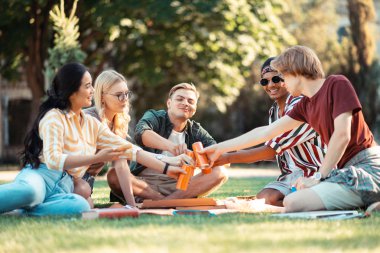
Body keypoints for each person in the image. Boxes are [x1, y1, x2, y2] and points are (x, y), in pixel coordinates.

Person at [202, 45, 380, 212]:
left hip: (367, 166)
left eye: (283, 76)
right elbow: (265, 132)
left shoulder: (337, 84)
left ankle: (372, 197)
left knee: (294, 202)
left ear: (296, 72)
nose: (283, 83)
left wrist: (318, 177)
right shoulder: (304, 105)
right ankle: (371, 201)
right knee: (292, 201)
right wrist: (218, 148)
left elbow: (342, 135)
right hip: (343, 171)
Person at [0, 63, 184, 216]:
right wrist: (95, 158)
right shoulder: (54, 117)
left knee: (81, 207)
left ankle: (20, 212)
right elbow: (54, 160)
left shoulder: (91, 124)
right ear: (72, 91)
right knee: (31, 192)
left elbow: (129, 149)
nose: (92, 90)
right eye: (87, 85)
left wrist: (168, 168)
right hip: (42, 175)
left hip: (64, 186)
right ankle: (25, 203)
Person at [214, 57, 327, 206]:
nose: (270, 85)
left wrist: (228, 158)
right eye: (264, 81)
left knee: (286, 201)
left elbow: (271, 150)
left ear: (287, 78)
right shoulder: (274, 111)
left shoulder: (301, 104)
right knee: (264, 199)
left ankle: (308, 199)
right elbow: (279, 153)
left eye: (276, 79)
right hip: (290, 176)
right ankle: (300, 200)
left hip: (315, 172)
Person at [82, 70, 192, 203]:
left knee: (86, 201)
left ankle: (158, 200)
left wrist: (131, 205)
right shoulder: (89, 119)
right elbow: (131, 152)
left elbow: (124, 162)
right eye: (119, 95)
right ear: (102, 96)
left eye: (126, 94)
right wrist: (168, 164)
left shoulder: (118, 122)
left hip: (87, 182)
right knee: (85, 202)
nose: (125, 100)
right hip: (71, 178)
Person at [107, 83, 228, 203]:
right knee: (114, 174)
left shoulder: (196, 131)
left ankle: (165, 201)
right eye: (180, 99)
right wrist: (172, 147)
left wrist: (198, 158)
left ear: (195, 108)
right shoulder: (155, 116)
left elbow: (220, 155)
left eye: (190, 101)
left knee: (220, 172)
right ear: (169, 103)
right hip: (144, 183)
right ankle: (164, 200)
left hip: (178, 186)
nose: (185, 103)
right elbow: (141, 134)